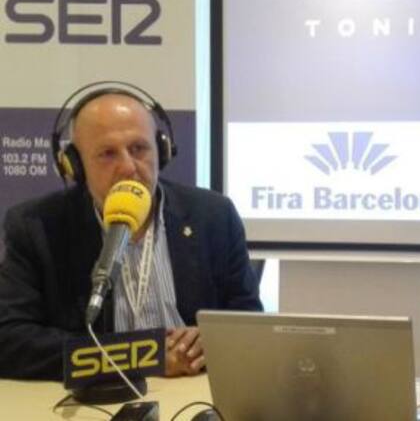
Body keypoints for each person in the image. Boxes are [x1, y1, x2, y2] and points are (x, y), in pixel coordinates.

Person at [0, 85, 262, 380]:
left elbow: (250, 324)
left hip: (194, 389)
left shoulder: (213, 216)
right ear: (75, 166)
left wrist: (211, 339)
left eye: (139, 149)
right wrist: (142, 355)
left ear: (161, 151)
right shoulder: (37, 227)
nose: (127, 167)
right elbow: (9, 341)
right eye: (107, 154)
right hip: (101, 394)